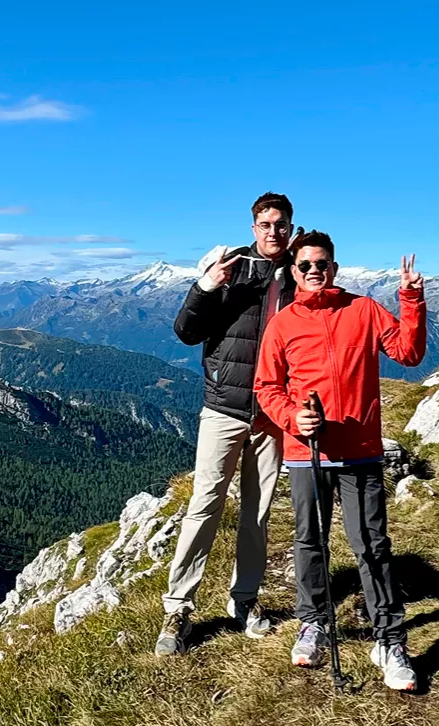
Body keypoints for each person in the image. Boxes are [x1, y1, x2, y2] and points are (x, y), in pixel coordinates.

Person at [253, 230, 426, 691]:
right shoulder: (282, 324)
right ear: (294, 272)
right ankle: (314, 623)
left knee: (371, 544)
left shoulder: (364, 310)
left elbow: (409, 354)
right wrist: (293, 417)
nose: (314, 271)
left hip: (359, 450)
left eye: (321, 264)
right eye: (305, 265)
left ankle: (389, 639)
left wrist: (411, 299)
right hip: (306, 452)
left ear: (334, 267)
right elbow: (266, 387)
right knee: (309, 541)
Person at [154, 192, 299, 656]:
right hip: (224, 408)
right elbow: (186, 332)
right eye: (266, 224)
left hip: (273, 414)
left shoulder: (299, 273)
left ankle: (245, 599)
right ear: (254, 227)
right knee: (204, 505)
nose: (273, 231)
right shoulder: (232, 268)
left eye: (281, 224)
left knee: (257, 512)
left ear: (291, 227)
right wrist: (206, 286)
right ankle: (178, 608)